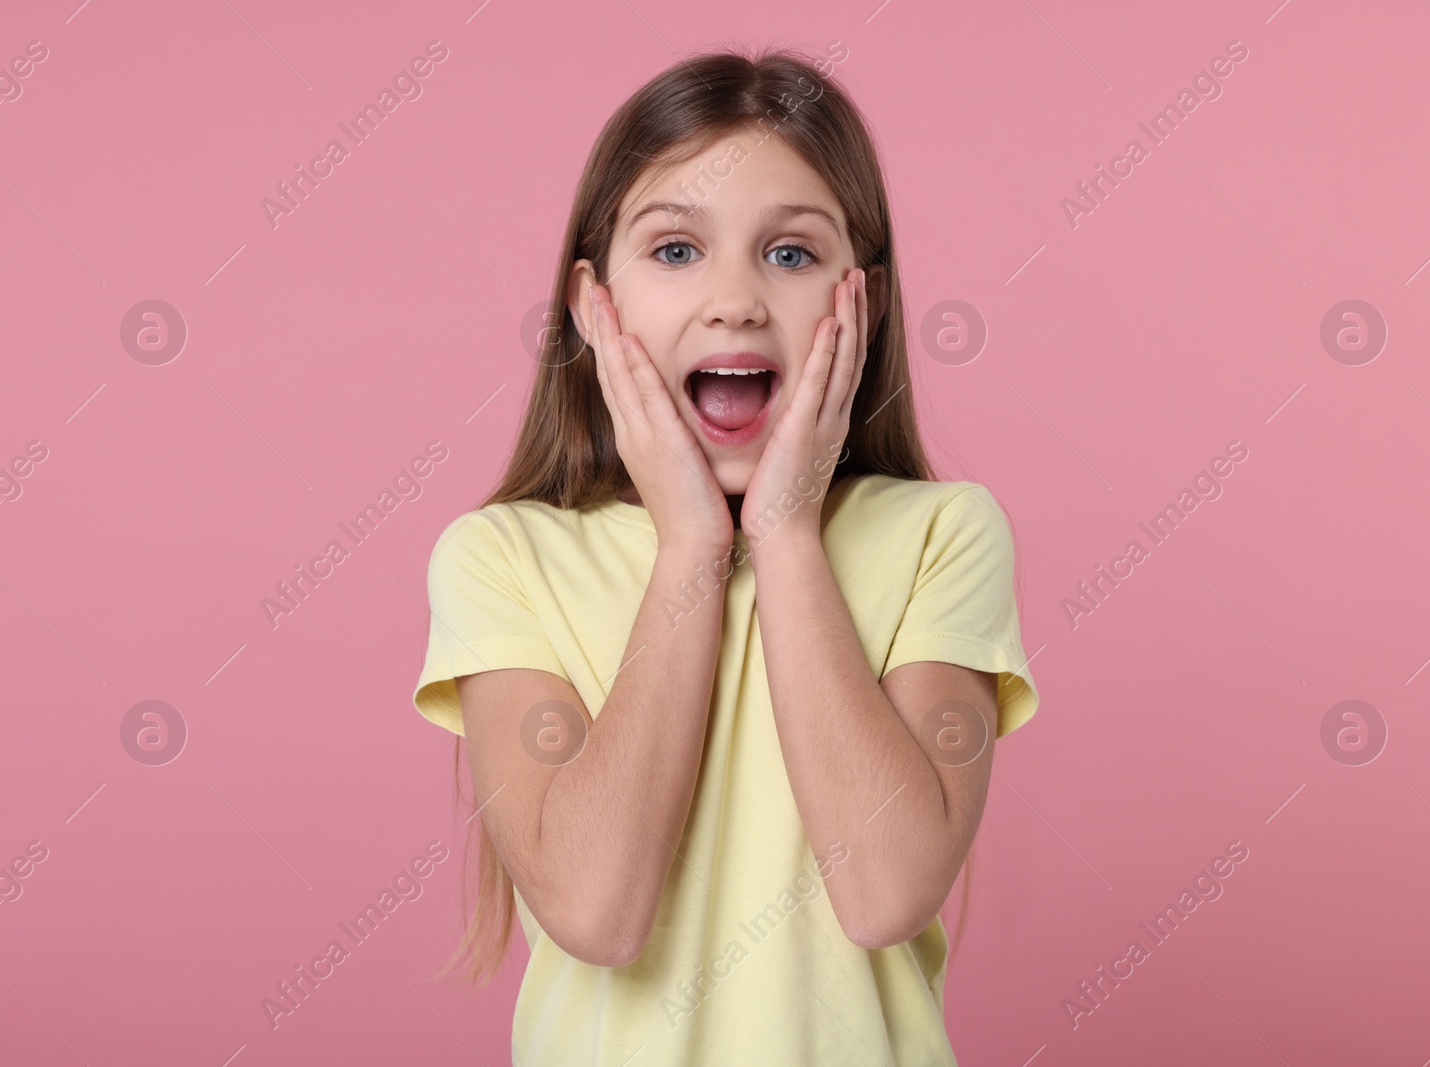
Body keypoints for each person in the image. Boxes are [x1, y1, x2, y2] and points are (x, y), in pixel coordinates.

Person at [411, 44, 1040, 1066]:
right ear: (590, 305)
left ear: (863, 304)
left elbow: (884, 890)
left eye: (790, 254)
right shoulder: (502, 558)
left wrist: (785, 532)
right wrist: (692, 546)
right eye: (673, 251)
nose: (736, 299)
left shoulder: (940, 534)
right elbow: (599, 911)